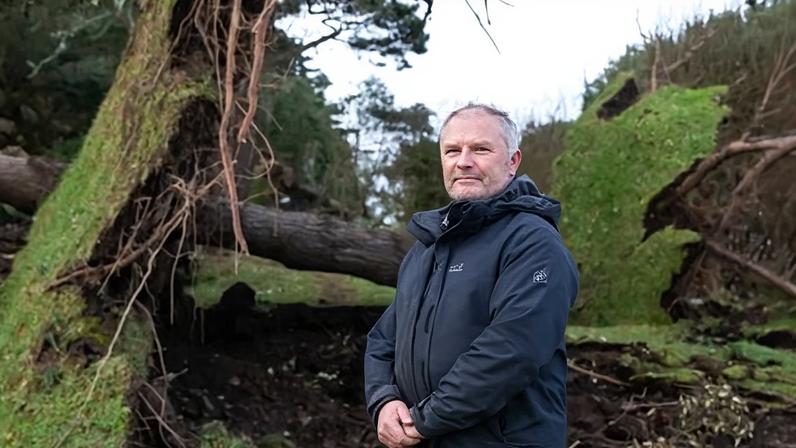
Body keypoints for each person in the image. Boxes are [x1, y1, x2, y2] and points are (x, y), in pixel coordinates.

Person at [364, 103, 579, 447]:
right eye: (452, 150)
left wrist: (424, 420)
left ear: (513, 161)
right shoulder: (426, 248)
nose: (463, 161)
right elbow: (384, 339)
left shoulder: (533, 243)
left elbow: (511, 351)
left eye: (480, 149)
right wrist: (384, 400)